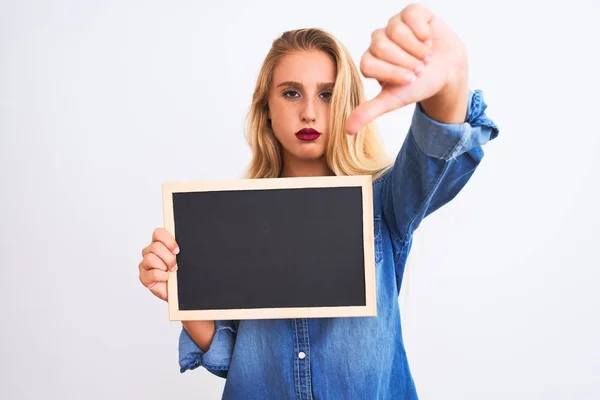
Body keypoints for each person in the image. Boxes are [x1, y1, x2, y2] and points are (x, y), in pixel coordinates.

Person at [138, 3, 499, 399]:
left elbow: (432, 158)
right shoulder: (230, 218)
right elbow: (234, 361)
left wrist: (449, 84)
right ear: (267, 110)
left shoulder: (383, 204)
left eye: (327, 94)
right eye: (291, 93)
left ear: (346, 101)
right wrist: (183, 293)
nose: (309, 112)